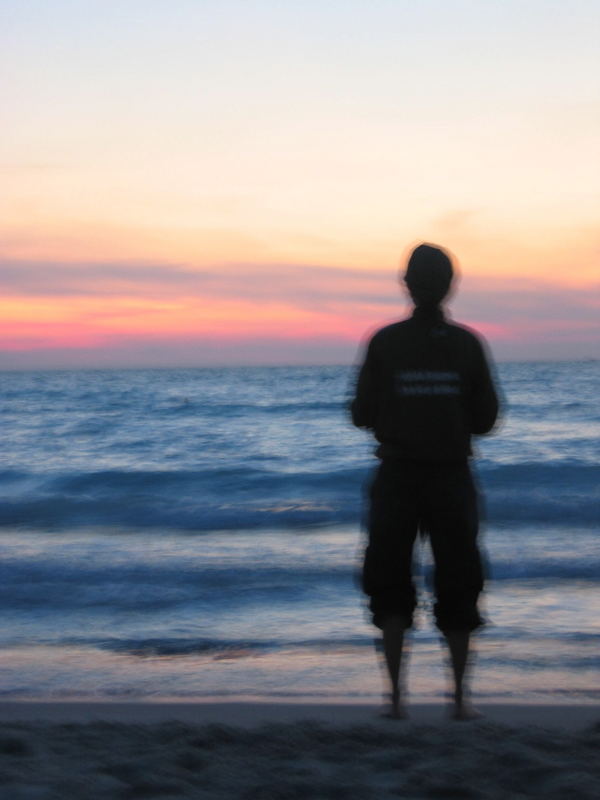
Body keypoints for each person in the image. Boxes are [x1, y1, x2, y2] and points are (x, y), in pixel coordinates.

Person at [351, 243, 499, 720]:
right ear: (450, 285)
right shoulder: (467, 344)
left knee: (389, 582)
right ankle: (459, 700)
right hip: (451, 476)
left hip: (397, 475)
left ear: (407, 285)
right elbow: (487, 418)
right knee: (459, 581)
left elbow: (360, 414)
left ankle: (395, 700)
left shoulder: (385, 342)